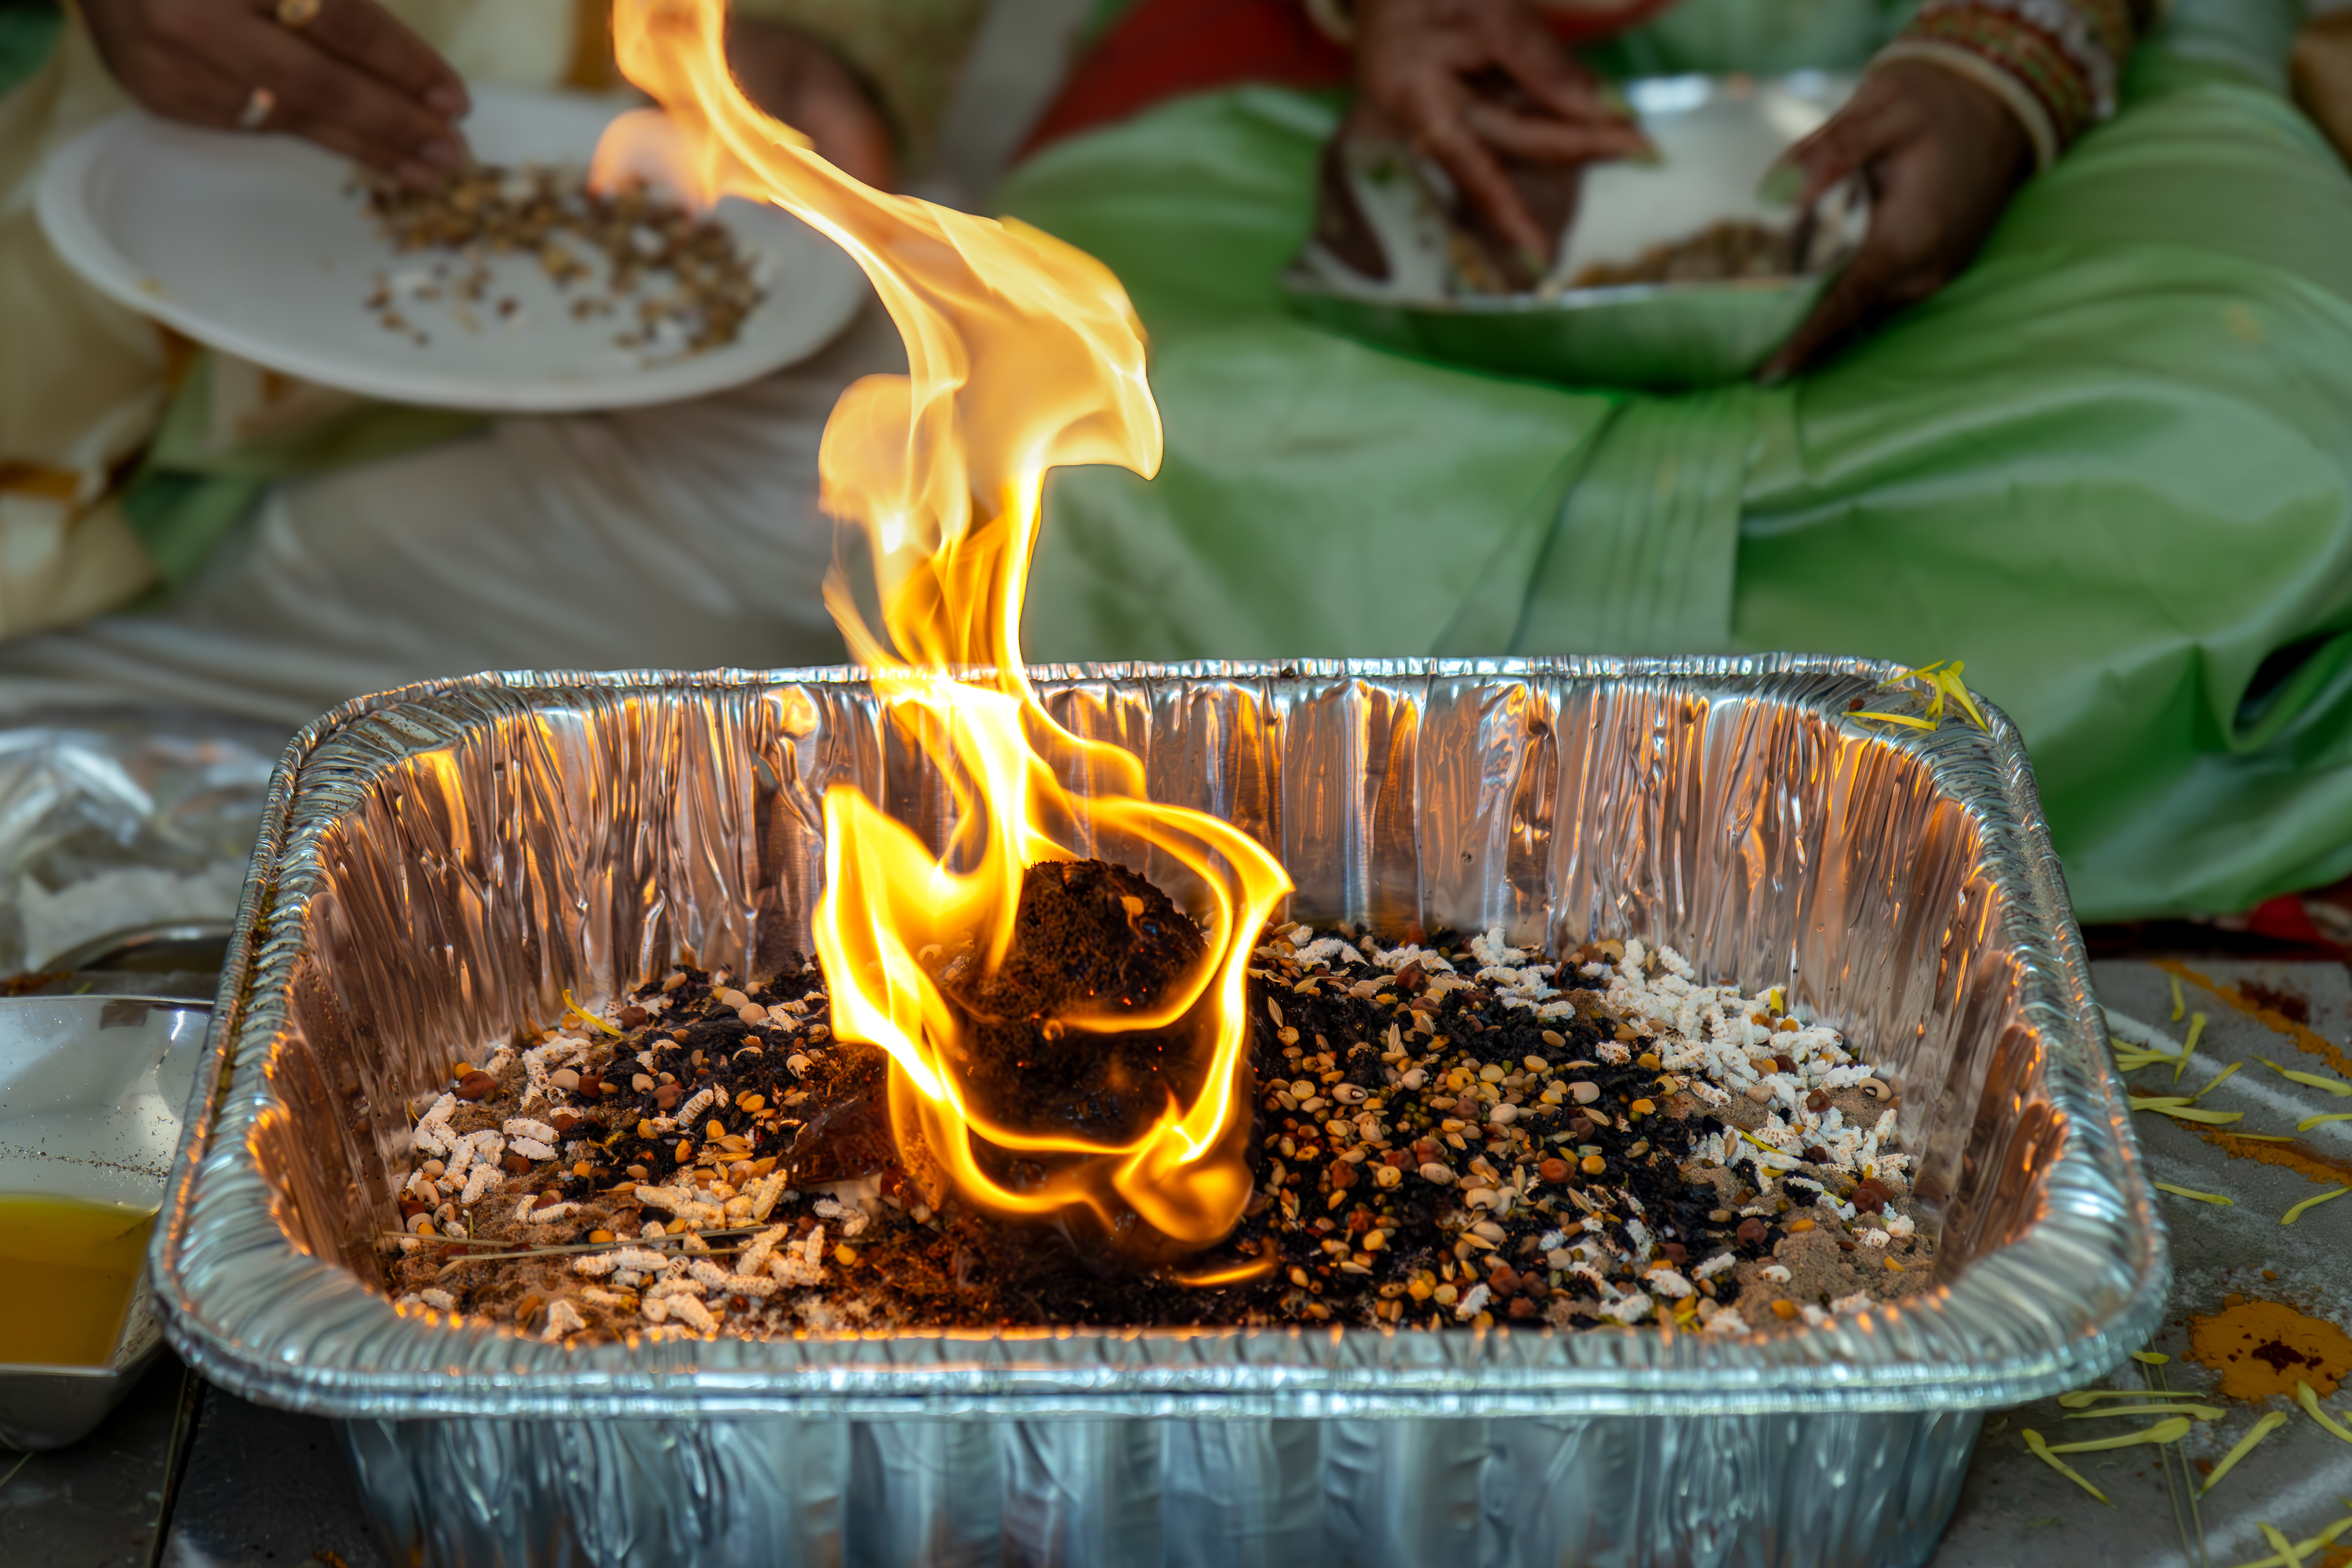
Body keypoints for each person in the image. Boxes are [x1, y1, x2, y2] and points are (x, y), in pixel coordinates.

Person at [1, 0, 2350, 926]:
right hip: (1355, 114)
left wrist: (2006, 66)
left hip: (2060, 114)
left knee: (2257, 440)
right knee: (1064, 427)